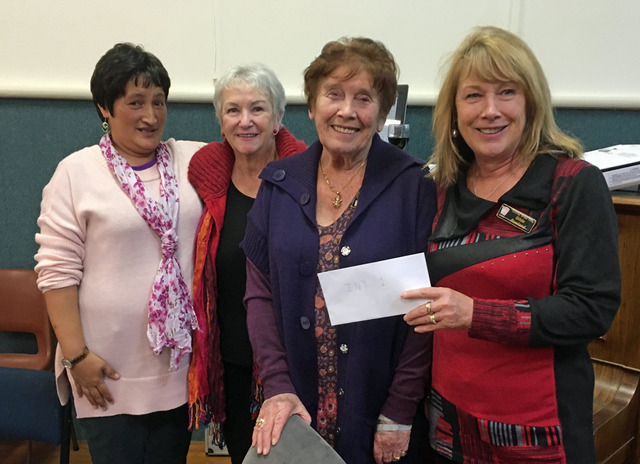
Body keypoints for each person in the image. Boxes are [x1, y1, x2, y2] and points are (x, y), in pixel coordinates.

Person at [402, 26, 621, 464]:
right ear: (453, 111)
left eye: (506, 92)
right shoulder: (439, 186)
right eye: (473, 95)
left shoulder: (572, 183)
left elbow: (591, 311)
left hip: (537, 432)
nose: (490, 111)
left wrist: (475, 314)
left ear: (531, 102)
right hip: (447, 424)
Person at [240, 37, 438, 464]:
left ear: (382, 113)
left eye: (363, 99)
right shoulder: (278, 183)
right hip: (294, 401)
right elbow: (259, 294)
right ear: (312, 106)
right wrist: (277, 385)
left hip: (376, 404)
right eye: (333, 95)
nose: (346, 111)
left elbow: (427, 307)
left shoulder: (414, 187)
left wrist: (400, 410)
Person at [34, 43, 203, 464]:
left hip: (178, 368)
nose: (150, 116)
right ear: (104, 108)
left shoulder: (194, 162)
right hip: (104, 370)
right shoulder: (76, 172)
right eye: (135, 103)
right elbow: (57, 273)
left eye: (159, 102)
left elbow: (263, 148)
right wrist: (76, 357)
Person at [186, 63, 306, 464]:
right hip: (231, 356)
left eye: (258, 108)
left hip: (292, 359)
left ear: (278, 119)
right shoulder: (208, 173)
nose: (245, 121)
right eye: (233, 110)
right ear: (221, 122)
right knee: (244, 454)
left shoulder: (306, 178)